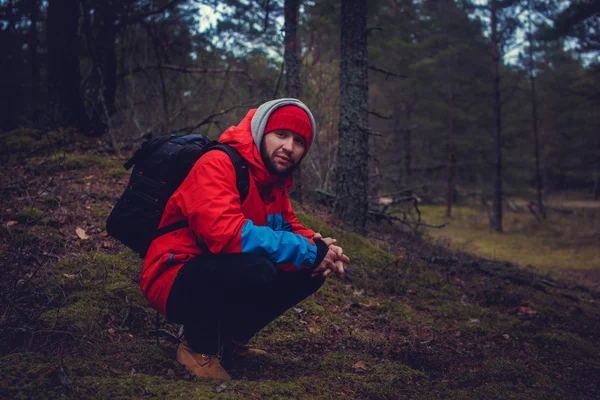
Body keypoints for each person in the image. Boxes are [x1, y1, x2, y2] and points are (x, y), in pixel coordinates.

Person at [140, 98, 350, 380]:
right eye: (281, 135)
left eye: (299, 141)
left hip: (216, 268)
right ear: (262, 131)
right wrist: (307, 249)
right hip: (173, 273)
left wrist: (320, 248)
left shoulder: (273, 181)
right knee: (258, 269)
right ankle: (197, 346)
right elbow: (223, 234)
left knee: (309, 270)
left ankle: (227, 340)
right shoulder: (218, 162)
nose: (289, 147)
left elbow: (287, 226)